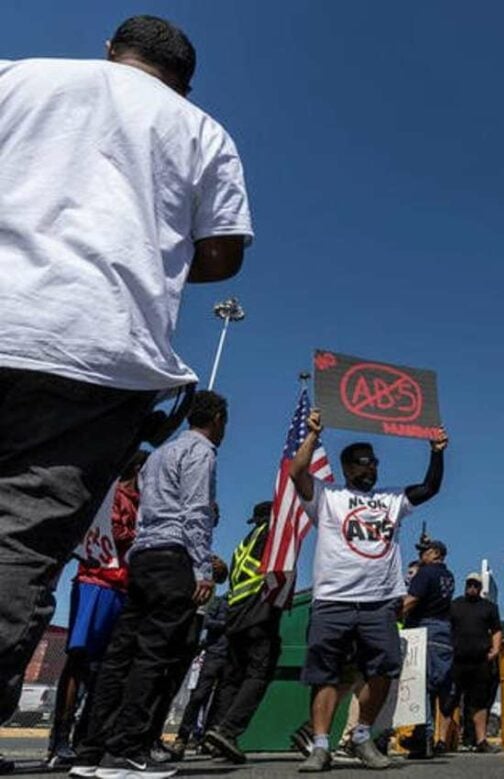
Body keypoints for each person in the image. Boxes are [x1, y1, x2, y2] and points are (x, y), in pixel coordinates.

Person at [0, 14, 252, 742]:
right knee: (17, 542)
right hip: (94, 352)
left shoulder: (18, 76)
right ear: (185, 81)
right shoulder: (204, 132)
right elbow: (223, 254)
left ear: (112, 52)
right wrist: (157, 249)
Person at [72, 390, 228, 779]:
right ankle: (125, 750)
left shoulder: (157, 455)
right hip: (173, 557)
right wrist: (202, 568)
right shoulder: (202, 452)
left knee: (119, 655)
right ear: (219, 419)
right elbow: (196, 512)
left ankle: (90, 749)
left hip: (141, 557)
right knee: (153, 657)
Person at [291, 409, 447, 773]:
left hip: (380, 602)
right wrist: (313, 436)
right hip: (333, 599)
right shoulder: (327, 496)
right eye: (362, 465)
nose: (369, 470)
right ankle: (320, 746)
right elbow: (297, 473)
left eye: (373, 464)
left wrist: (437, 451)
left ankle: (362, 736)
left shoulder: (392, 499)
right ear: (346, 468)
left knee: (383, 670)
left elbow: (429, 488)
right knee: (326, 674)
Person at [46, 452, 148, 768]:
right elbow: (114, 534)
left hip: (123, 588)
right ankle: (59, 740)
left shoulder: (143, 503)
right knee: (80, 659)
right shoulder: (113, 495)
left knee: (107, 668)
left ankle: (84, 738)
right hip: (97, 582)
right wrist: (144, 535)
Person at [201, 501, 286, 764]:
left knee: (232, 678)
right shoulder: (274, 532)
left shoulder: (244, 542)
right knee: (259, 672)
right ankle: (228, 731)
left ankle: (216, 735)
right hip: (259, 610)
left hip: (236, 614)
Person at [400, 538, 455, 759]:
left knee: (419, 684)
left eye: (425, 551)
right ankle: (424, 734)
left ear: (434, 553)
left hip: (424, 628)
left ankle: (423, 736)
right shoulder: (448, 576)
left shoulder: (425, 573)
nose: (421, 555)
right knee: (434, 685)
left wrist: (391, 614)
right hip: (442, 630)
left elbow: (412, 600)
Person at [170, 561, 231, 758]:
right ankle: (182, 737)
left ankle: (207, 739)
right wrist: (227, 623)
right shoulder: (219, 602)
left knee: (221, 700)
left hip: (230, 655)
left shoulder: (240, 605)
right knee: (199, 696)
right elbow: (207, 621)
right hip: (214, 652)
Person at [442, 573, 502, 753]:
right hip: (457, 661)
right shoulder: (454, 605)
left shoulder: (489, 607)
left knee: (480, 702)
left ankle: (481, 740)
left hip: (480, 662)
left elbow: (497, 629)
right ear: (465, 585)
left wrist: (496, 649)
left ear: (480, 587)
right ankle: (441, 741)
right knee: (449, 701)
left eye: (476, 585)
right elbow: (445, 628)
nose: (472, 587)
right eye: (469, 584)